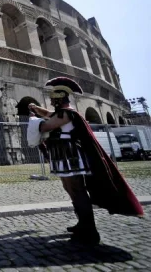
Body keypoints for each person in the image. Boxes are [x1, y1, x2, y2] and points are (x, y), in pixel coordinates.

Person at [29, 76, 143, 245]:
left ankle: (89, 229)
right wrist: (36, 108)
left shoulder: (67, 113)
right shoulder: (65, 112)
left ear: (60, 99)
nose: (52, 102)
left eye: (54, 99)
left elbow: (47, 125)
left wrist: (33, 121)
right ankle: (82, 223)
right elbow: (48, 114)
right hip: (65, 156)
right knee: (70, 188)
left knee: (76, 190)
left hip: (70, 157)